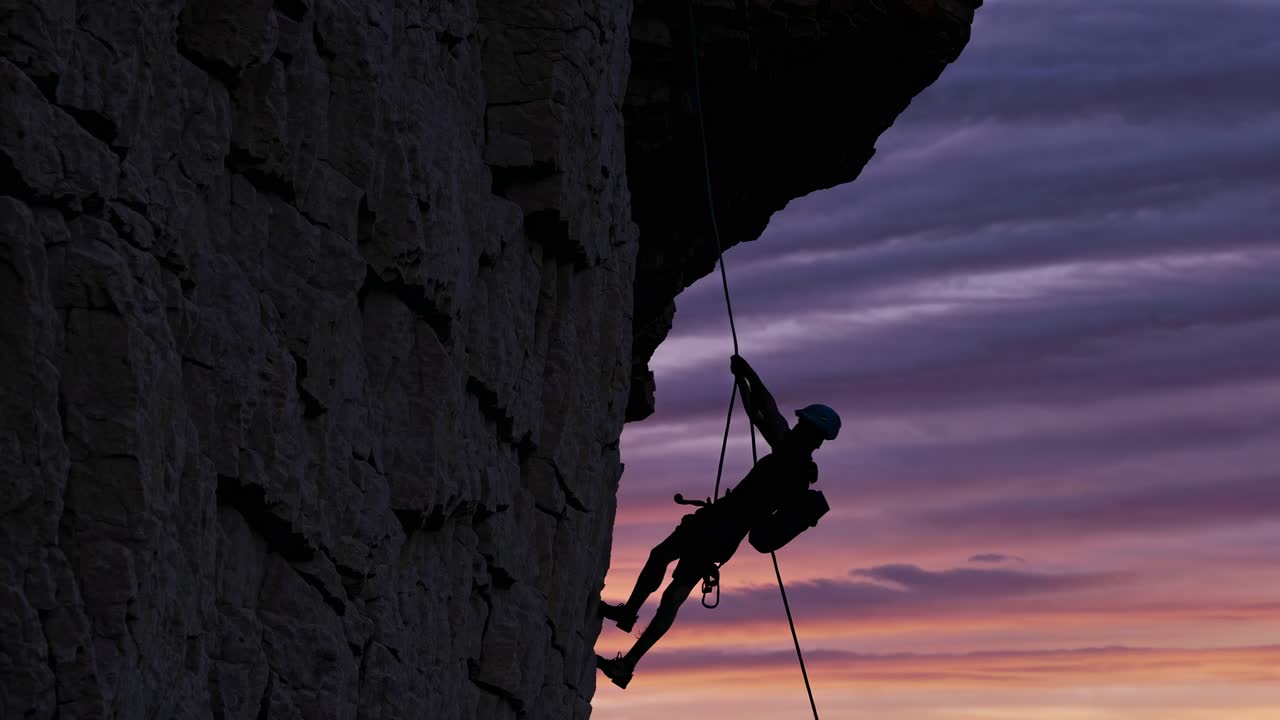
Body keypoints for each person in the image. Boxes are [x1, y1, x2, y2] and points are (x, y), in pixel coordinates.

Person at [596, 354, 840, 689]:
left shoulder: (791, 455)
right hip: (724, 530)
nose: (797, 425)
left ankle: (629, 634)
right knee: (669, 582)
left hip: (720, 525)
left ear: (813, 434)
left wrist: (747, 373)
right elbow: (763, 414)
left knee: (666, 575)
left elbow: (765, 412)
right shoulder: (798, 463)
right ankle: (628, 645)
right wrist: (744, 380)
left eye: (804, 424)